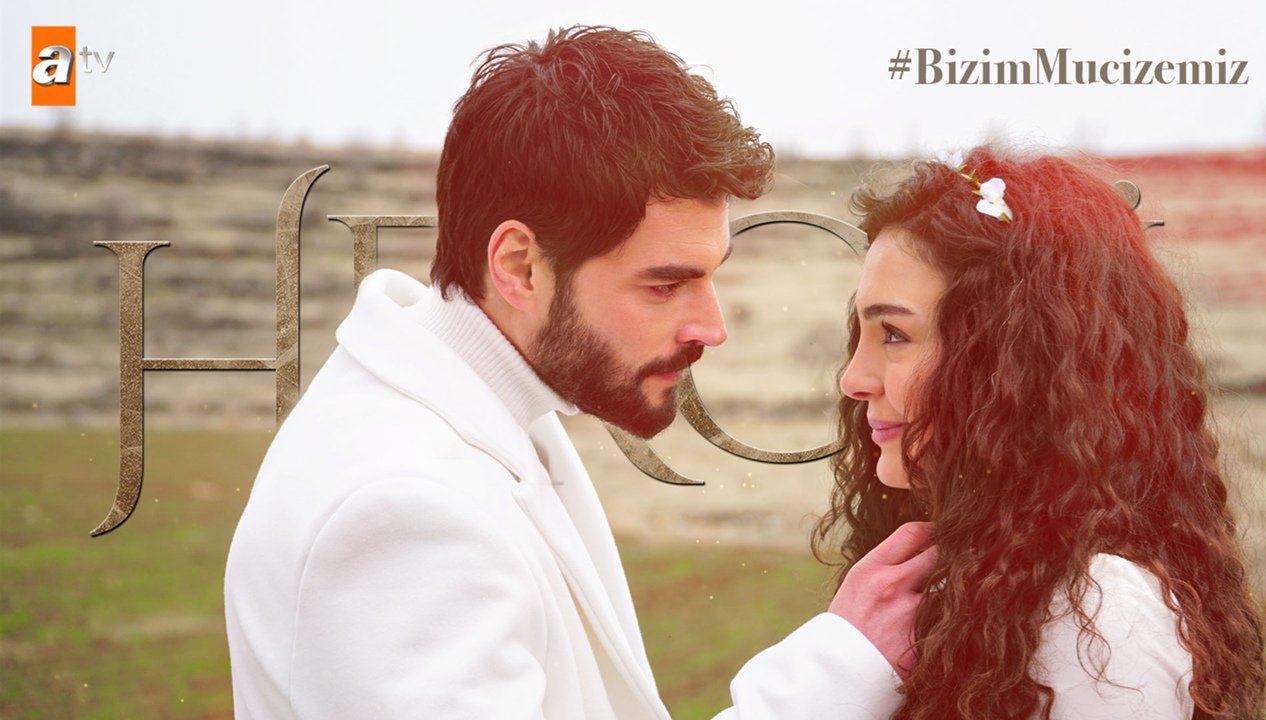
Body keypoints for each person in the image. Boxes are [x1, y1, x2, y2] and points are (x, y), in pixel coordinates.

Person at [224, 26, 936, 719]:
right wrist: (835, 673)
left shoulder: (482, 411)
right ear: (519, 267)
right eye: (664, 285)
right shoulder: (403, 512)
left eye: (710, 275)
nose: (711, 328)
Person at [813, 145, 1266, 719]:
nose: (853, 379)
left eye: (896, 335)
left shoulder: (1100, 619)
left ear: (1016, 358)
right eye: (862, 335)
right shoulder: (987, 574)